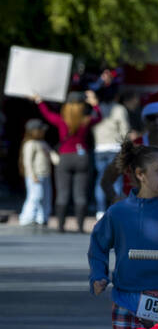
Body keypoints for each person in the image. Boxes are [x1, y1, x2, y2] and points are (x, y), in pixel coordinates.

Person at [88, 140, 158, 329]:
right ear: (140, 174)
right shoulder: (118, 212)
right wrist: (98, 274)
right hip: (125, 298)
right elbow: (98, 245)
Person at [35, 91, 101, 232]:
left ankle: (60, 226)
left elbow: (47, 114)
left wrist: (39, 101)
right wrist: (95, 105)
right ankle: (80, 226)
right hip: (81, 157)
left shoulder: (61, 120)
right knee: (80, 194)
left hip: (65, 157)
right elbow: (99, 117)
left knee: (62, 193)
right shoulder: (86, 121)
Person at [100, 90, 158, 207]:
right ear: (145, 121)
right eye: (152, 117)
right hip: (135, 213)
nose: (157, 122)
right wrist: (117, 201)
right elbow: (106, 180)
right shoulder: (133, 147)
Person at [90, 89, 135, 219]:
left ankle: (100, 210)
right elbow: (124, 129)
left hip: (99, 147)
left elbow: (92, 125)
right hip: (115, 147)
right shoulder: (119, 109)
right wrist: (126, 145)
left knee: (100, 179)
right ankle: (114, 208)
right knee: (116, 180)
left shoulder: (97, 108)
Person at [18, 119, 56, 228]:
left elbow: (52, 155)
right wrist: (32, 175)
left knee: (46, 197)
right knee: (35, 196)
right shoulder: (30, 144)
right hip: (35, 175)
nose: (43, 132)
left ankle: (42, 217)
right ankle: (26, 217)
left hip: (45, 174)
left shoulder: (43, 143)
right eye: (40, 130)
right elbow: (27, 162)